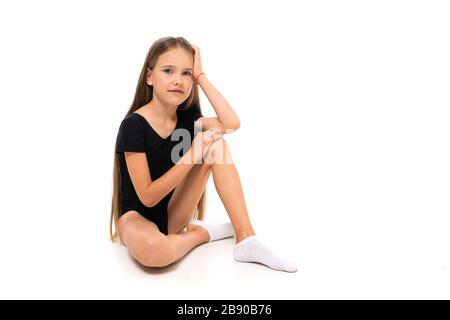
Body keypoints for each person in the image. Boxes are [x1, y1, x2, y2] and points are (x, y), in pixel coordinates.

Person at [110, 36, 297, 272]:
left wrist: (201, 78)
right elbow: (147, 197)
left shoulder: (189, 120)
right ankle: (201, 234)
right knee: (154, 253)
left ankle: (245, 238)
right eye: (168, 71)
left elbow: (231, 123)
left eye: (186, 73)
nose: (178, 80)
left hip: (173, 217)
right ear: (149, 77)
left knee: (216, 145)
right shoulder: (133, 125)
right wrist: (193, 152)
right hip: (138, 218)